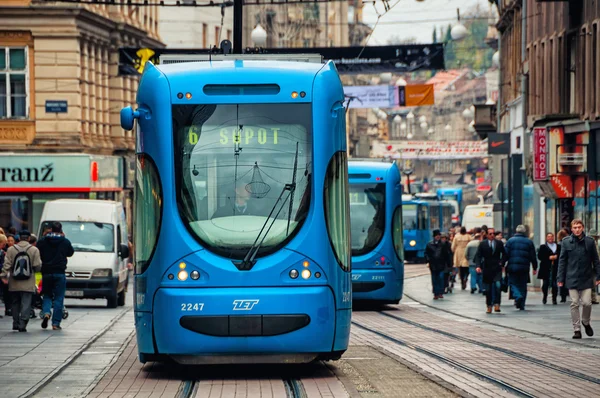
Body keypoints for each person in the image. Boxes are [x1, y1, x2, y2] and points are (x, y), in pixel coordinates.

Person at [557, 219, 600, 339]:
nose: (577, 229)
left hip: (586, 277)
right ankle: (577, 329)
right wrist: (560, 277)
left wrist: (598, 275)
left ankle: (585, 321)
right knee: (574, 303)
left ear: (583, 228)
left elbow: (595, 260)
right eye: (575, 227)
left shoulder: (590, 242)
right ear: (571, 229)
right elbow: (562, 261)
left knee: (587, 303)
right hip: (571, 277)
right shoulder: (566, 242)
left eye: (579, 227)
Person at [0, 230, 42, 332]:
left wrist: (3, 276)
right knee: (26, 303)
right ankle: (23, 323)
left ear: (18, 238)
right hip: (28, 281)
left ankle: (15, 322)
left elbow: (7, 265)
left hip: (14, 281)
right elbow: (38, 266)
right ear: (28, 238)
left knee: (15, 302)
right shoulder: (34, 250)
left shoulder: (11, 249)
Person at [36, 221, 74, 330]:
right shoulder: (65, 241)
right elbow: (70, 253)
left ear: (51, 229)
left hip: (46, 273)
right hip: (59, 272)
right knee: (58, 297)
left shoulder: (42, 241)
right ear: (61, 230)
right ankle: (55, 323)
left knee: (47, 295)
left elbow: (38, 252)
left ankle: (47, 312)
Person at [505, 225, 538, 310]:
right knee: (523, 285)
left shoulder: (510, 241)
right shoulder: (529, 242)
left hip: (512, 266)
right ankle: (522, 304)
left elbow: (505, 254)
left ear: (516, 231)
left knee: (512, 283)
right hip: (524, 267)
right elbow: (533, 256)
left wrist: (502, 263)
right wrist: (535, 267)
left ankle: (517, 295)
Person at [476, 228, 507, 313]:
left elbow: (505, 254)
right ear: (486, 235)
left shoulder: (499, 243)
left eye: (493, 233)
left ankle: (497, 304)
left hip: (497, 268)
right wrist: (478, 266)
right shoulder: (482, 244)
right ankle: (489, 305)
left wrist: (502, 263)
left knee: (498, 286)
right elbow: (478, 256)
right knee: (488, 289)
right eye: (490, 234)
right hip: (487, 268)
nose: (492, 235)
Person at [425, 230, 451, 300]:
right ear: (434, 236)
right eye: (437, 235)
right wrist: (428, 260)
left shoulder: (443, 244)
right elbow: (426, 253)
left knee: (441, 278)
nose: (438, 237)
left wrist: (449, 264)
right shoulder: (429, 244)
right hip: (433, 265)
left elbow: (447, 254)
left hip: (441, 264)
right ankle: (435, 293)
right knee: (434, 279)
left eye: (439, 235)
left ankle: (440, 292)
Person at [538, 232, 560, 305]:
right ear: (546, 238)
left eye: (552, 236)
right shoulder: (543, 247)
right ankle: (545, 296)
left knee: (554, 284)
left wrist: (556, 257)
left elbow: (562, 256)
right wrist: (548, 257)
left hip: (555, 267)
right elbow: (540, 256)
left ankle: (554, 298)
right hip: (545, 267)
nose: (550, 238)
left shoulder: (558, 246)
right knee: (545, 284)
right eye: (549, 237)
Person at [556, 228, 570, 303]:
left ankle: (562, 295)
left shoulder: (558, 244)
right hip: (568, 264)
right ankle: (566, 292)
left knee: (561, 279)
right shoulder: (568, 243)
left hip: (560, 264)